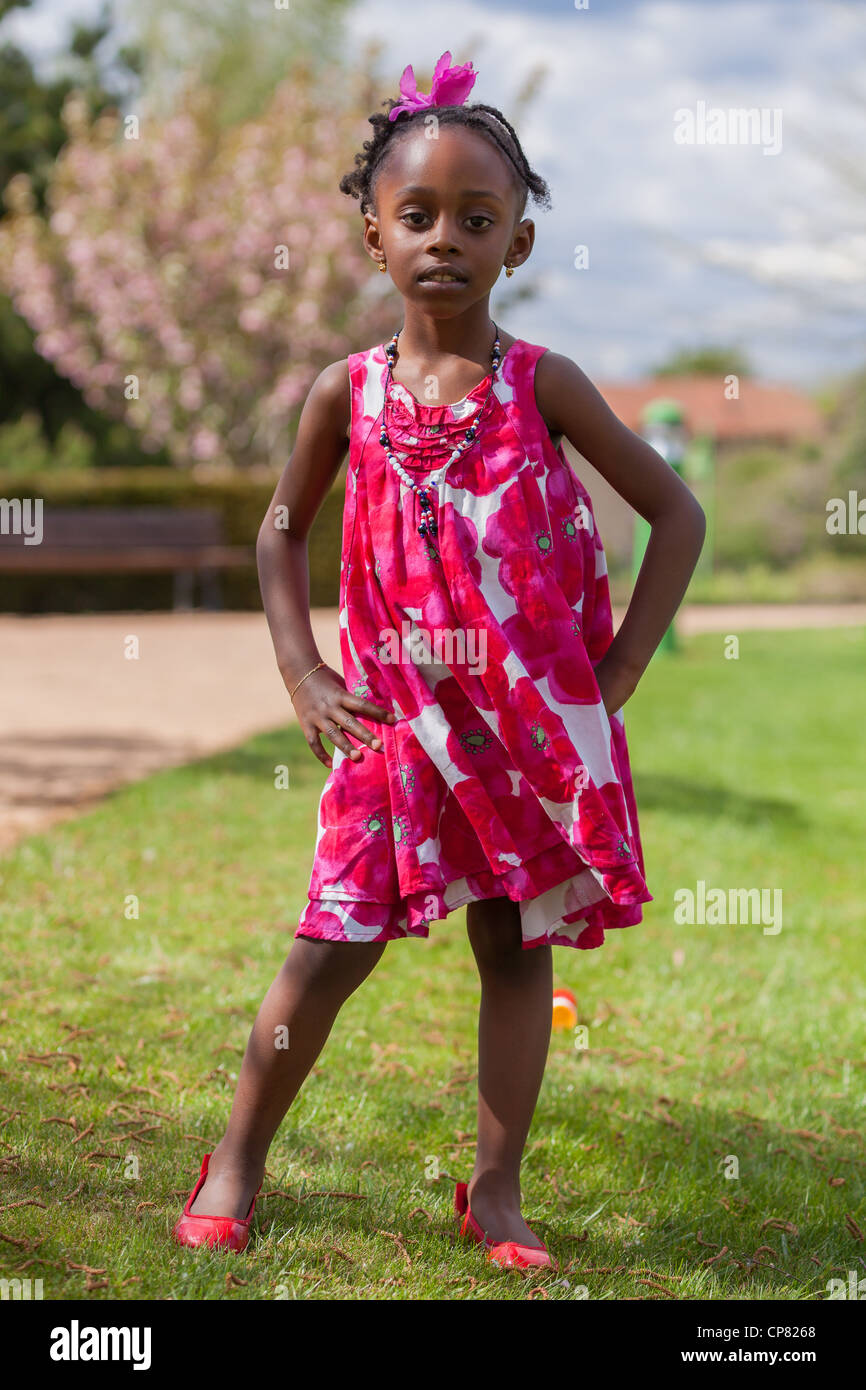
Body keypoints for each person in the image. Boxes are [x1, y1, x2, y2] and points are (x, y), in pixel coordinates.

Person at [173, 51, 706, 1270]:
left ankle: (496, 1193)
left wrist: (612, 679)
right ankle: (238, 1157)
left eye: (479, 219)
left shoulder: (543, 387)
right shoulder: (342, 395)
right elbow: (279, 532)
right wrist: (305, 676)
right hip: (391, 730)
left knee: (516, 954)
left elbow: (675, 515)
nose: (446, 240)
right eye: (417, 216)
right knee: (327, 946)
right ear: (373, 235)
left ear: (516, 245)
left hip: (527, 741)